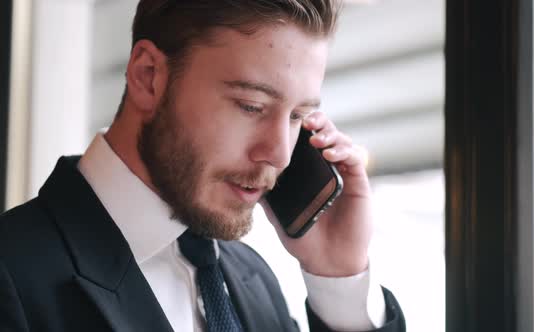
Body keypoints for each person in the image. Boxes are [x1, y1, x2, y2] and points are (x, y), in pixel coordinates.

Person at [0, 1, 406, 331]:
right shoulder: (13, 273)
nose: (280, 154)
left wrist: (339, 277)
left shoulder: (255, 280)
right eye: (251, 107)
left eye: (298, 115)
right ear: (148, 77)